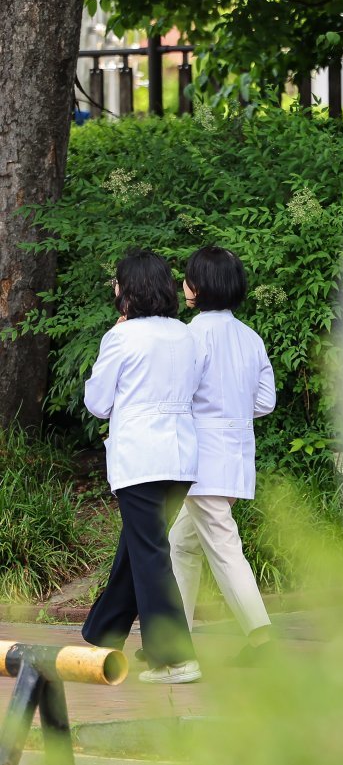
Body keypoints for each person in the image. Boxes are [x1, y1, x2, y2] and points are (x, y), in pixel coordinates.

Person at [81, 249, 203, 684]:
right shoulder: (187, 335)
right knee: (140, 548)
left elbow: (97, 404)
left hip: (139, 458)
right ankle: (102, 636)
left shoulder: (122, 337)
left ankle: (174, 658)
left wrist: (110, 341)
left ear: (128, 290)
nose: (114, 290)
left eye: (117, 283)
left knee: (149, 551)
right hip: (182, 458)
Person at [169, 245, 277, 666]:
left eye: (188, 277)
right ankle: (174, 638)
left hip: (200, 457)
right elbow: (264, 401)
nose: (183, 284)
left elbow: (177, 393)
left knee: (222, 544)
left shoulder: (191, 335)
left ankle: (262, 639)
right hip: (234, 455)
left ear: (198, 287)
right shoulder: (250, 337)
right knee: (182, 544)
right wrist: (230, 411)